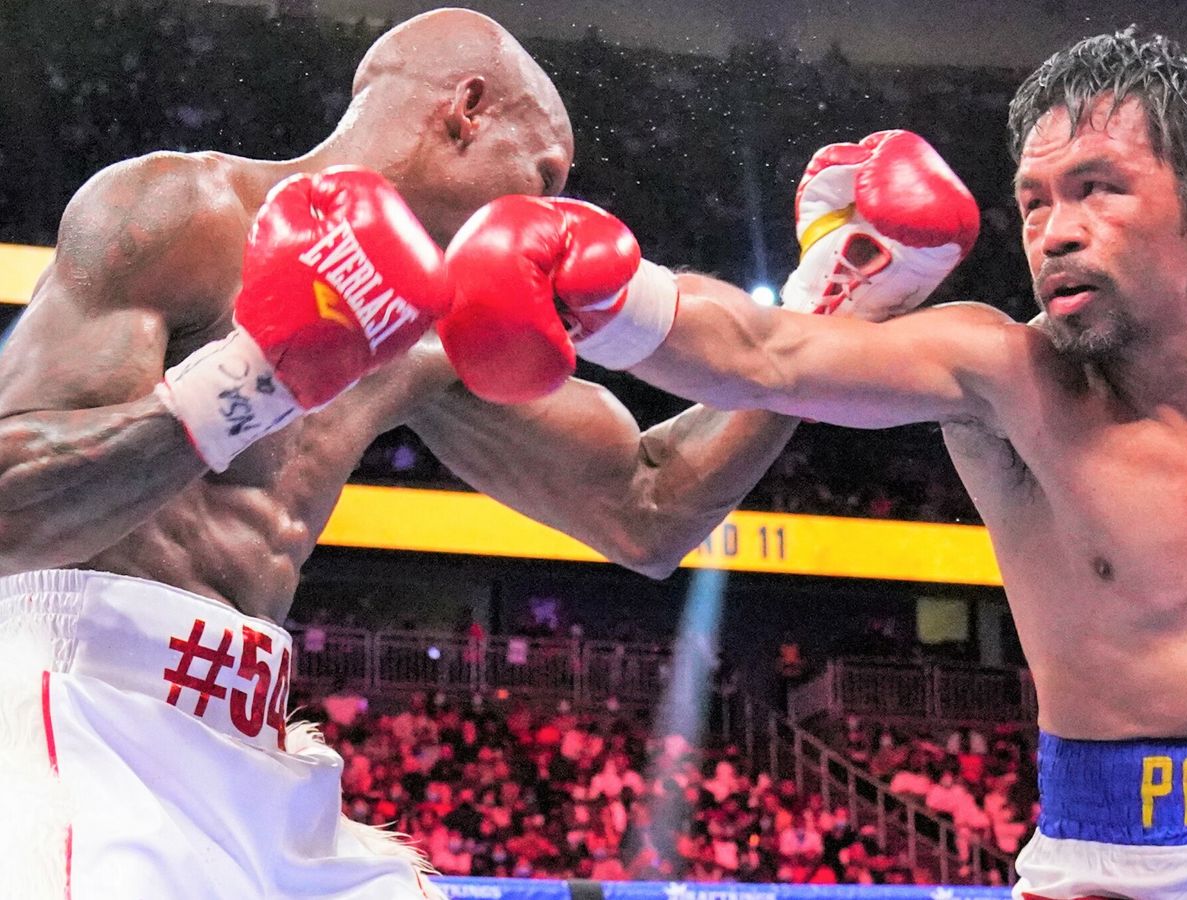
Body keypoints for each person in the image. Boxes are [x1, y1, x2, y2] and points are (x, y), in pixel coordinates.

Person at [486, 30, 1187, 898]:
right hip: (1115, 865)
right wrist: (613, 300)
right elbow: (767, 352)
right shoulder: (1004, 378)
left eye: (1097, 190)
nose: (1054, 234)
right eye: (1034, 203)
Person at [0, 9, 972, 898]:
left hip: (249, 743)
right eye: (545, 176)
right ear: (466, 110)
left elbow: (647, 506)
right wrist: (255, 377)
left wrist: (826, 302)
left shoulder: (432, 337)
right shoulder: (181, 210)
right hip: (75, 701)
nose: (546, 209)